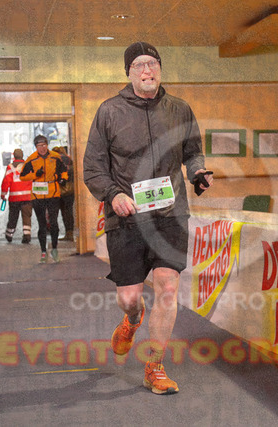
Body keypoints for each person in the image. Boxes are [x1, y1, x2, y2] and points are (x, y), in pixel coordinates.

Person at [84, 41, 213, 395]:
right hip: (127, 218)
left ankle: (154, 366)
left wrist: (197, 172)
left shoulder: (179, 109)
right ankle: (132, 319)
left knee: (168, 287)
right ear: (128, 72)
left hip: (171, 214)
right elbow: (93, 168)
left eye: (152, 64)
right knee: (129, 297)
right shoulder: (109, 111)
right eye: (139, 65)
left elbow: (193, 152)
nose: (147, 70)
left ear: (159, 69)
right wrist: (114, 195)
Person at [20, 135, 69, 263]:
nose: (42, 148)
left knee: (54, 223)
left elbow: (64, 170)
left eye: (44, 145)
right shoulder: (31, 159)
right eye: (39, 146)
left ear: (47, 145)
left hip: (53, 193)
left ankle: (55, 249)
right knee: (42, 224)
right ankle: (43, 251)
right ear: (35, 147)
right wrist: (35, 175)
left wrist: (63, 179)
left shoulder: (55, 156)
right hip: (38, 195)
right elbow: (22, 176)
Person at [1, 148, 32, 244]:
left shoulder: (10, 167)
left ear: (14, 156)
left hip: (14, 198)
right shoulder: (28, 166)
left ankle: (9, 234)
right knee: (27, 216)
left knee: (13, 217)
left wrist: (3, 194)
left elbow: (6, 181)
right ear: (22, 155)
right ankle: (27, 235)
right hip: (27, 197)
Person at [51, 146, 74, 241]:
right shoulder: (70, 161)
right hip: (70, 190)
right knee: (68, 212)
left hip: (58, 190)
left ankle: (54, 234)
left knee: (54, 213)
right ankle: (69, 233)